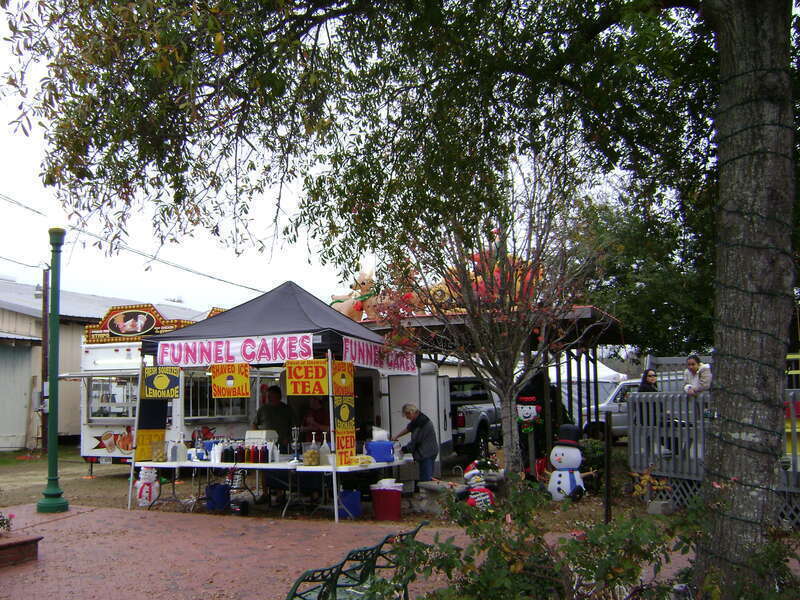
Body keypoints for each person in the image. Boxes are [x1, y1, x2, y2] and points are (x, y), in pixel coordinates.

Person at [391, 403, 438, 482]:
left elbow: (415, 441)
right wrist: (397, 436)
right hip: (431, 450)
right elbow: (409, 428)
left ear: (411, 412)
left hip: (426, 453)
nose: (407, 418)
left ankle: (425, 493)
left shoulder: (421, 423)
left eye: (407, 416)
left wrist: (403, 450)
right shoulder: (419, 418)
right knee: (427, 476)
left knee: (425, 479)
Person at [253, 384, 293, 449]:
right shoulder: (263, 409)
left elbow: (293, 426)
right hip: (265, 444)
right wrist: (258, 438)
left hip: (283, 444)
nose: (268, 398)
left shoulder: (286, 409)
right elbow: (254, 424)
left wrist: (289, 438)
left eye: (271, 396)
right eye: (268, 396)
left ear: (279, 396)